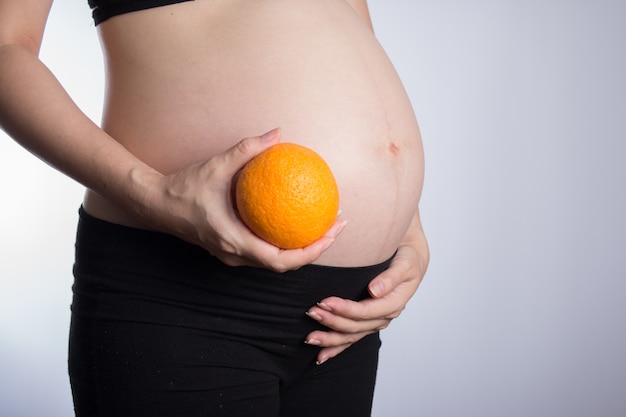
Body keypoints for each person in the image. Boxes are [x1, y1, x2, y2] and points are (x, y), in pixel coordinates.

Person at [0, 0, 429, 416]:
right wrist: (152, 192)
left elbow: (351, 38)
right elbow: (7, 47)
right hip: (184, 298)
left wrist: (406, 222)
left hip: (344, 320)